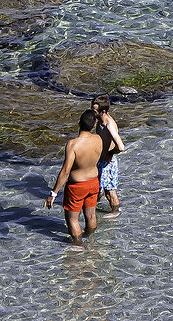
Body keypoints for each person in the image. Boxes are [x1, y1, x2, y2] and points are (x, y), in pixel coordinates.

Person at [45, 110, 108, 247]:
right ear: (94, 125)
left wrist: (53, 193)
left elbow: (65, 171)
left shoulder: (73, 144)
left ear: (79, 122)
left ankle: (78, 246)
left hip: (77, 186)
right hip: (94, 182)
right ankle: (90, 241)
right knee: (91, 215)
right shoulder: (98, 139)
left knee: (72, 219)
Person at [93, 97, 124, 215]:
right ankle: (93, 210)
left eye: (94, 110)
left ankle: (115, 212)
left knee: (110, 191)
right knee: (97, 189)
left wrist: (110, 153)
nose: (92, 112)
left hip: (108, 163)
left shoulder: (108, 124)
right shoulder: (100, 120)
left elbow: (121, 146)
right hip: (101, 160)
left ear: (103, 111)